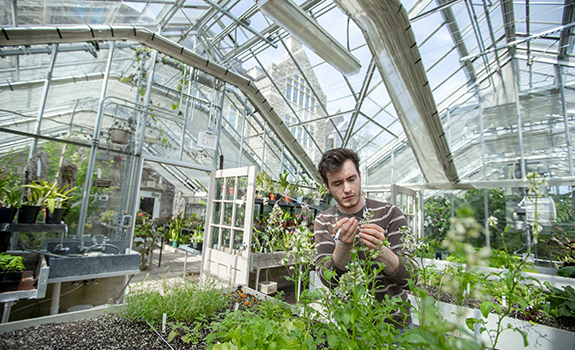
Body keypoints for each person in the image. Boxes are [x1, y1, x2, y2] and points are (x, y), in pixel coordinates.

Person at [313, 148, 418, 330]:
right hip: (352, 329)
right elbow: (327, 280)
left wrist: (381, 251)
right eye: (337, 183)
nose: (347, 189)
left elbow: (412, 278)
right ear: (327, 187)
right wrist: (343, 247)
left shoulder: (390, 213)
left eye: (351, 179)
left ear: (360, 176)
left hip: (395, 326)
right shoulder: (324, 220)